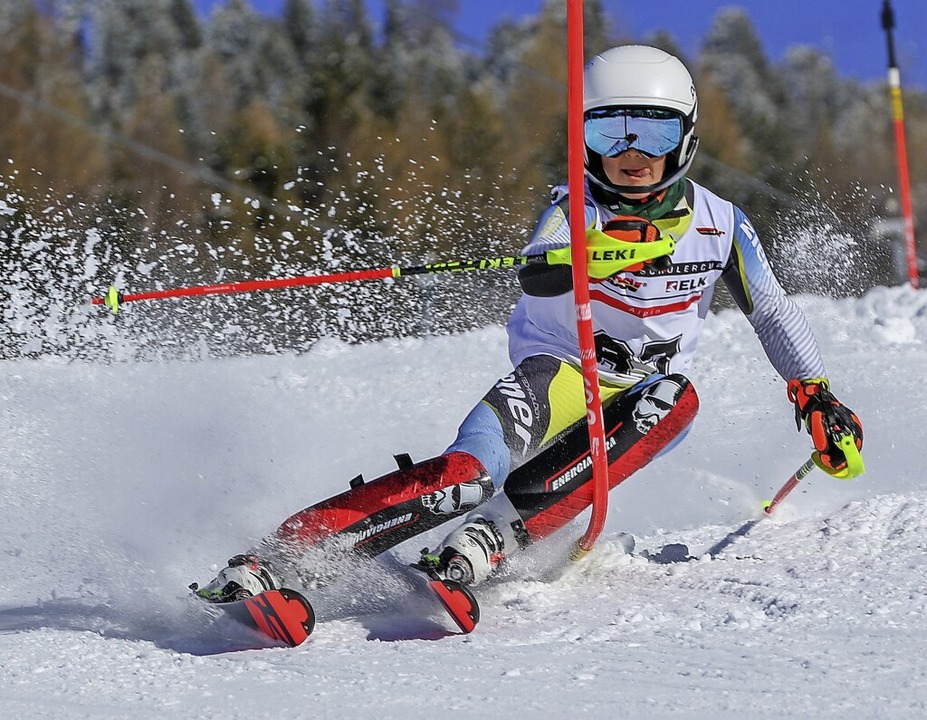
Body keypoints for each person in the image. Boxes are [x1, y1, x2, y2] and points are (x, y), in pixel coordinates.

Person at [195, 45, 864, 602]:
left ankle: (489, 540)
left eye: (654, 133)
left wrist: (815, 394)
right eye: (609, 133)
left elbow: (771, 309)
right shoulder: (575, 209)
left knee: (675, 398)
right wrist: (590, 253)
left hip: (638, 400)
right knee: (465, 475)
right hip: (557, 377)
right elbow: (539, 270)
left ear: (685, 139)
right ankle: (279, 560)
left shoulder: (722, 223)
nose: (632, 153)